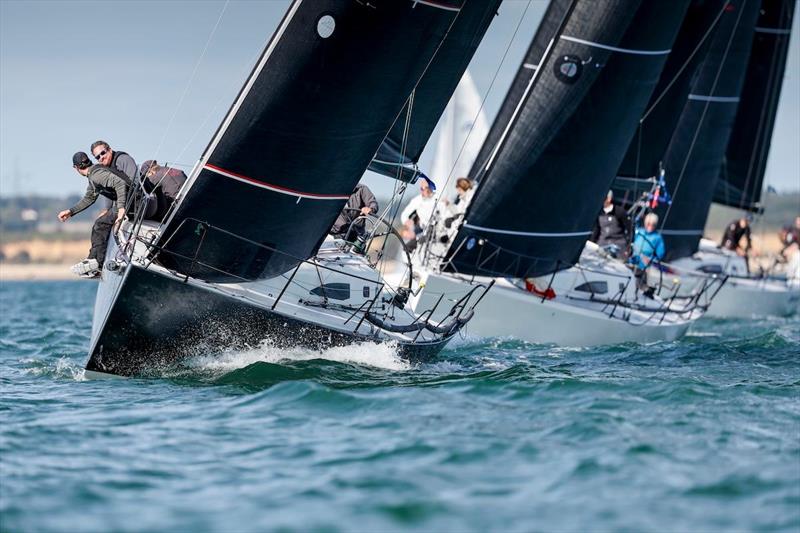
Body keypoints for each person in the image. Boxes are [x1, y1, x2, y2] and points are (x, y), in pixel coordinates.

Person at [57, 152, 130, 277]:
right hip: (128, 202)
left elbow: (120, 183)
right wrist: (71, 211)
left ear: (76, 168)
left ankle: (97, 264)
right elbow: (89, 198)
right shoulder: (93, 175)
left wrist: (122, 208)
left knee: (100, 224)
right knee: (101, 222)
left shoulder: (96, 175)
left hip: (131, 203)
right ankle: (92, 260)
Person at [630, 212, 665, 296]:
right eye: (648, 224)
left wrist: (650, 259)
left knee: (639, 283)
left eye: (653, 224)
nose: (650, 226)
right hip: (631, 261)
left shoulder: (657, 237)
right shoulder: (639, 232)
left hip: (643, 266)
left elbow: (660, 253)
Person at [590, 190, 632, 258]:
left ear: (609, 199)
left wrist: (628, 245)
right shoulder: (599, 211)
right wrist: (592, 242)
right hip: (602, 244)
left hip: (617, 246)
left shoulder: (619, 211)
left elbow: (630, 228)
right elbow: (596, 230)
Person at [400, 177, 437, 246]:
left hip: (438, 226)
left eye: (424, 189)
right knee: (409, 246)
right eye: (421, 189)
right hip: (424, 229)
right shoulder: (417, 200)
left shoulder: (436, 197)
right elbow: (404, 214)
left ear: (429, 188)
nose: (422, 191)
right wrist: (406, 222)